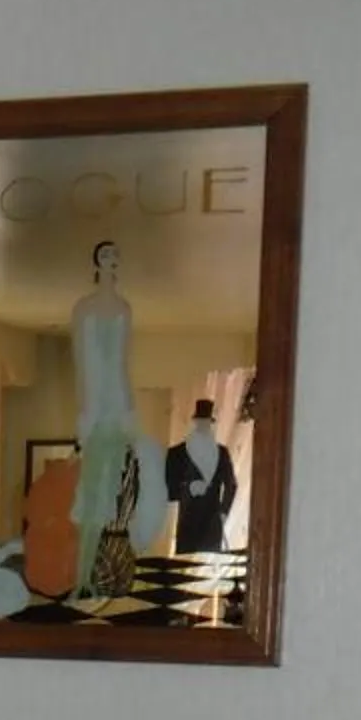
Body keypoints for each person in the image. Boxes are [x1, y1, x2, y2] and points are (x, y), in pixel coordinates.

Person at [68, 241, 168, 595]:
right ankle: (81, 579)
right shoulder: (83, 308)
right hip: (96, 408)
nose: (113, 259)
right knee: (92, 494)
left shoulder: (125, 308)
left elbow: (123, 363)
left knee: (115, 491)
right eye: (108, 254)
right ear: (97, 260)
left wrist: (130, 411)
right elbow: (81, 363)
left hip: (118, 405)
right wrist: (84, 413)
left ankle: (97, 576)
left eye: (116, 254)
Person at [165, 396, 239, 554]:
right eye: (200, 423)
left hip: (212, 524)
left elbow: (231, 485)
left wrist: (223, 514)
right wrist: (188, 488)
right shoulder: (177, 454)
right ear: (195, 423)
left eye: (206, 423)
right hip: (188, 524)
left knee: (208, 564)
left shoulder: (222, 453)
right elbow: (168, 489)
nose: (203, 427)